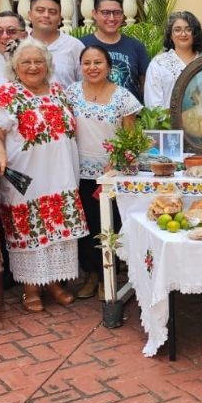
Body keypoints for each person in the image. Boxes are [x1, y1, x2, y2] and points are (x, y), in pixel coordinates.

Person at [0, 40, 88, 313]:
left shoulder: (57, 91)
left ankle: (53, 283)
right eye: (26, 62)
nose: (33, 67)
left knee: (57, 230)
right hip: (26, 177)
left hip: (61, 174)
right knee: (29, 229)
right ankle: (31, 288)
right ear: (15, 67)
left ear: (47, 65)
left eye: (38, 61)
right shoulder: (5, 94)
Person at [66, 45, 142, 301]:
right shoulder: (71, 94)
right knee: (85, 227)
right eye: (86, 63)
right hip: (77, 172)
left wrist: (116, 163)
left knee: (108, 226)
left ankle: (107, 277)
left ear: (108, 66)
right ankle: (91, 275)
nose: (92, 67)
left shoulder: (123, 97)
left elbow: (130, 137)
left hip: (110, 176)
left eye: (98, 62)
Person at [82, 0, 148, 99]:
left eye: (117, 13)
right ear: (94, 14)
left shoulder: (136, 46)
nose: (112, 18)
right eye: (105, 12)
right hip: (91, 112)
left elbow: (145, 85)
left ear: (123, 14)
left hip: (130, 113)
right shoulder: (81, 45)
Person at [145, 11, 202, 109]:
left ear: (195, 34)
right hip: (168, 123)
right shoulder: (159, 64)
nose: (183, 34)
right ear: (171, 35)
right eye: (177, 30)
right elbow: (153, 104)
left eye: (188, 29)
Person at [28, 0, 84, 87]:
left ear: (59, 19)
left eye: (52, 12)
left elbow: (86, 83)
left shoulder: (74, 46)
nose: (46, 15)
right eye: (40, 10)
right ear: (30, 15)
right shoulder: (20, 45)